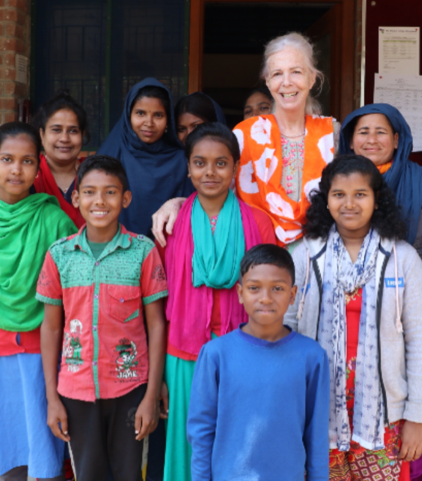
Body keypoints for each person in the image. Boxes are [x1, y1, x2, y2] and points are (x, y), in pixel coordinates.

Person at [286, 155, 422, 481]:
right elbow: (286, 330)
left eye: (360, 194)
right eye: (339, 194)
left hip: (384, 418)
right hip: (316, 412)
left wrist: (418, 417)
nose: (349, 203)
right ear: (325, 200)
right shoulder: (305, 255)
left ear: (376, 200)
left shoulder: (403, 259)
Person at [337, 104, 422, 480]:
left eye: (381, 132)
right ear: (350, 141)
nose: (372, 139)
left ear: (398, 138)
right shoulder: (336, 183)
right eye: (363, 132)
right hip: (352, 318)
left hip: (412, 314)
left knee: (414, 401)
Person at [38, 155, 168, 481]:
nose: (100, 201)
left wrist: (151, 395)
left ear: (125, 198)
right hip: (76, 389)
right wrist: (52, 398)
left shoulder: (142, 251)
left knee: (129, 474)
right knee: (89, 474)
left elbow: (156, 324)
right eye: (90, 192)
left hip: (131, 389)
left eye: (110, 192)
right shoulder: (60, 255)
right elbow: (52, 328)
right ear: (76, 197)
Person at [161, 123, 276, 481]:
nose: (210, 172)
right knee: (188, 443)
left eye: (220, 163)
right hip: (183, 354)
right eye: (199, 163)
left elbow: (272, 294)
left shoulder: (258, 222)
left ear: (236, 168)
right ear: (188, 167)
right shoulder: (169, 222)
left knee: (241, 443)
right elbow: (159, 297)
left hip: (245, 350)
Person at [151, 32, 333, 249]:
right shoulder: (244, 135)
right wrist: (178, 203)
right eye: (277, 73)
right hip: (255, 254)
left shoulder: (333, 134)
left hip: (322, 257)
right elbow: (216, 193)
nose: (286, 82)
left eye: (296, 71)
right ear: (267, 81)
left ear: (312, 78)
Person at [0, 122, 77, 480]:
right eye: (6, 159)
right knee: (5, 457)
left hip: (43, 354)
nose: (16, 169)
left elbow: (73, 299)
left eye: (27, 161)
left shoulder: (55, 221)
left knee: (47, 455)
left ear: (39, 166)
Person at [187, 244, 330, 481]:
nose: (266, 298)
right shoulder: (215, 354)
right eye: (254, 288)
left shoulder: (312, 356)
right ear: (241, 293)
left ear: (293, 295)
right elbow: (201, 431)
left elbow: (317, 436)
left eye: (277, 288)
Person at [97, 77, 195, 237]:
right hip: (115, 248)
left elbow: (193, 206)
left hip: (167, 248)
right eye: (140, 113)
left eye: (158, 115)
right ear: (128, 114)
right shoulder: (111, 154)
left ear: (168, 119)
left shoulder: (181, 160)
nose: (149, 122)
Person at [32, 90, 89, 227]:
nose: (64, 139)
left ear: (82, 135)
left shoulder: (94, 173)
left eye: (73, 131)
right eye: (56, 130)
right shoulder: (29, 173)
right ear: (42, 134)